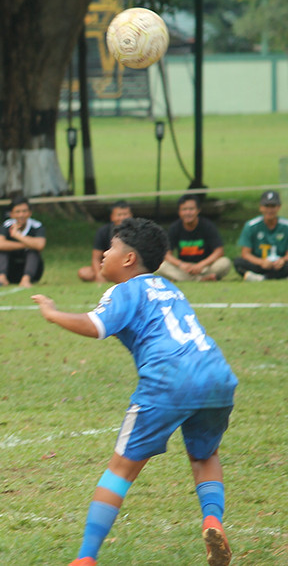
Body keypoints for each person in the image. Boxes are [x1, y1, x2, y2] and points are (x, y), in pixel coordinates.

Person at [31, 218, 236, 566]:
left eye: (110, 248)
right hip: (217, 375)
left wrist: (52, 314)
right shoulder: (169, 287)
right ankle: (212, 520)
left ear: (128, 259)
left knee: (120, 470)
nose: (103, 255)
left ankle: (85, 559)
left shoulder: (126, 289)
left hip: (170, 379)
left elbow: (95, 326)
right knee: (204, 456)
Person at [157, 194, 232, 282]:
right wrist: (181, 265)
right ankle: (202, 279)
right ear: (179, 212)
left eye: (191, 209)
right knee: (160, 266)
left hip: (205, 267)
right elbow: (167, 254)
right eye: (184, 209)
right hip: (185, 269)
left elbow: (219, 251)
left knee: (225, 262)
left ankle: (185, 278)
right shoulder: (175, 228)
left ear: (198, 210)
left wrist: (201, 265)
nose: (188, 213)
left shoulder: (207, 226)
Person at [233, 190, 288, 281]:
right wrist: (261, 262)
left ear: (279, 207)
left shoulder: (286, 226)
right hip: (260, 264)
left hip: (279, 264)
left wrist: (282, 260)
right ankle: (275, 276)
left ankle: (262, 278)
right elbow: (245, 253)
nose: (269, 210)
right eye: (266, 206)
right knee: (238, 262)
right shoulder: (251, 225)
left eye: (273, 206)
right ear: (261, 207)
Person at [0, 196, 45, 287]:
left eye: (24, 211)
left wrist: (17, 236)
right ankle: (2, 278)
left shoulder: (37, 226)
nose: (21, 215)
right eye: (18, 212)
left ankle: (26, 280)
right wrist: (27, 244)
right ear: (11, 214)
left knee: (33, 251)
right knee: (2, 251)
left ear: (29, 213)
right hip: (11, 271)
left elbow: (40, 245)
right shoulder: (6, 225)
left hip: (33, 272)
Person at [78, 201, 132, 283]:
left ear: (131, 215)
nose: (122, 218)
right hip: (108, 266)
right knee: (84, 272)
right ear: (112, 217)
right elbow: (96, 258)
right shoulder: (103, 231)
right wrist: (98, 275)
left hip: (129, 266)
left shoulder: (136, 231)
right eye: (119, 215)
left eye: (125, 214)